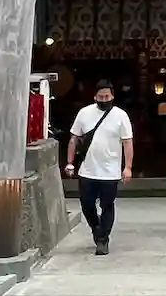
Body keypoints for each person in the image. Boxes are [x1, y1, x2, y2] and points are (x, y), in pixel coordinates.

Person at [64, 80, 133, 256]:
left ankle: (103, 239)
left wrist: (128, 167)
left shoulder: (121, 116)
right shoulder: (84, 113)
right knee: (87, 205)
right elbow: (74, 139)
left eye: (107, 97)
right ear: (95, 97)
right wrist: (70, 162)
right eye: (101, 97)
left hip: (110, 171)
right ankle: (96, 228)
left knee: (107, 205)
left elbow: (127, 142)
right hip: (87, 169)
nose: (104, 100)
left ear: (112, 96)